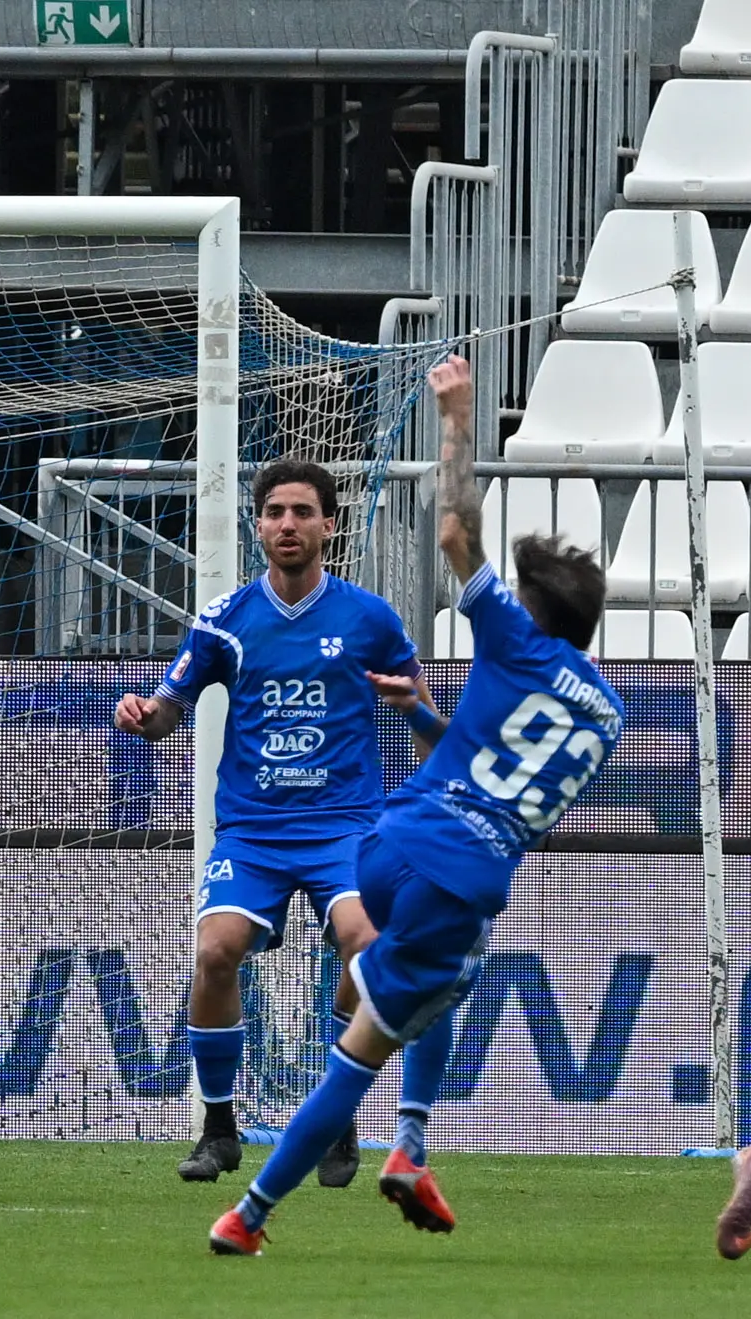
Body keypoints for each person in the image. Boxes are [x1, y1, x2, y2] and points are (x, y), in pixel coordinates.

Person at [208, 355, 623, 1255]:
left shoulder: (508, 641)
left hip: (389, 840)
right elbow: (505, 770)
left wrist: (459, 417)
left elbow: (454, 532)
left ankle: (409, 1138)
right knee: (367, 1047)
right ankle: (256, 1211)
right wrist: (424, 713)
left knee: (429, 982)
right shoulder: (608, 714)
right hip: (464, 873)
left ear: (532, 613)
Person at [117, 457, 446, 1188]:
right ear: (257, 524)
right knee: (214, 953)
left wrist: (418, 717)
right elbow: (171, 710)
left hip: (345, 826)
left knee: (366, 948)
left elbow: (430, 725)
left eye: (303, 512)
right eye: (275, 512)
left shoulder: (370, 619)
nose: (288, 525)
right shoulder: (226, 620)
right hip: (254, 830)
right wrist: (144, 716)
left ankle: (337, 1112)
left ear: (331, 524)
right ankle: (218, 1126)